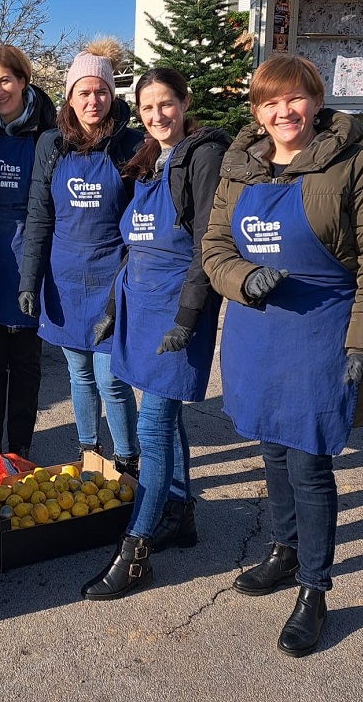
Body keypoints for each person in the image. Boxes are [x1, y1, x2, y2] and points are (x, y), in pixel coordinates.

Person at [202, 54, 363, 657]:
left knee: (310, 461)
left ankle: (315, 590)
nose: (284, 112)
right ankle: (283, 550)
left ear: (315, 102)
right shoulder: (240, 169)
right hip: (258, 328)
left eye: (295, 99)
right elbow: (214, 246)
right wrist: (242, 277)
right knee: (270, 443)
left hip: (323, 327)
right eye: (270, 102)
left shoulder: (356, 164)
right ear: (257, 111)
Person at [82, 68, 230, 600]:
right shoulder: (149, 159)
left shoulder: (203, 155)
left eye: (166, 104)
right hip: (138, 306)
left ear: (184, 103)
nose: (158, 116)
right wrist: (110, 307)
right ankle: (180, 512)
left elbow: (209, 242)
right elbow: (134, 246)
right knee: (164, 420)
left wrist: (188, 319)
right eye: (147, 108)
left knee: (153, 425)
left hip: (175, 309)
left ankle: (136, 548)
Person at [18, 39, 140, 474]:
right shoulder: (51, 145)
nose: (94, 100)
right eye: (84, 92)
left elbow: (141, 221)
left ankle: (127, 457)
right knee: (79, 373)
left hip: (113, 276)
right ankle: (89, 452)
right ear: (69, 97)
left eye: (102, 92)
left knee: (111, 376)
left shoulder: (130, 145)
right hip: (65, 278)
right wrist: (28, 281)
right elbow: (39, 218)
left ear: (112, 95)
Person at [0, 46, 56, 459]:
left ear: (23, 80)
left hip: (32, 254)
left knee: (25, 368)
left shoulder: (49, 131)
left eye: (5, 80)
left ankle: (20, 452)